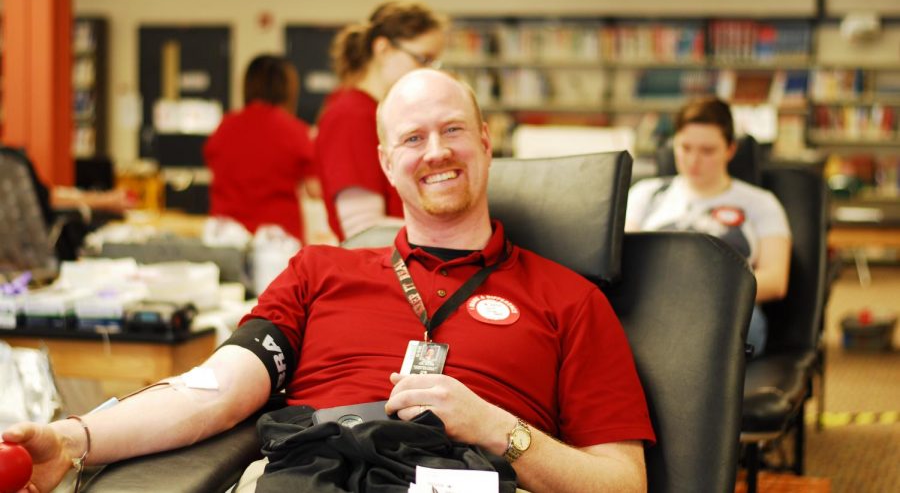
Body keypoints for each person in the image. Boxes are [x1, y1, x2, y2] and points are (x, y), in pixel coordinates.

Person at [4, 70, 653, 493]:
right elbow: (216, 389)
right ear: (384, 162)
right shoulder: (321, 271)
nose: (436, 152)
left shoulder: (570, 298)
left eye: (453, 129)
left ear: (485, 142)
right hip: (313, 472)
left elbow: (624, 481)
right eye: (413, 137)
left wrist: (495, 426)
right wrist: (74, 437)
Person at [625, 96, 791, 357]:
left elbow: (775, 280)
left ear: (730, 149)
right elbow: (625, 262)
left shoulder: (761, 203)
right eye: (685, 148)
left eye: (707, 150)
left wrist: (700, 295)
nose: (693, 160)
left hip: (726, 311)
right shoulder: (646, 195)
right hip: (655, 307)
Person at [316, 0, 447, 241]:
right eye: (423, 59)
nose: (430, 72)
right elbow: (363, 230)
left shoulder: (378, 113)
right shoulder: (352, 116)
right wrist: (452, 235)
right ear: (383, 49)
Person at [204, 54, 319, 244]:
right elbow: (315, 190)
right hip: (279, 244)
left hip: (227, 240)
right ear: (288, 89)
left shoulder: (224, 128)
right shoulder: (295, 131)